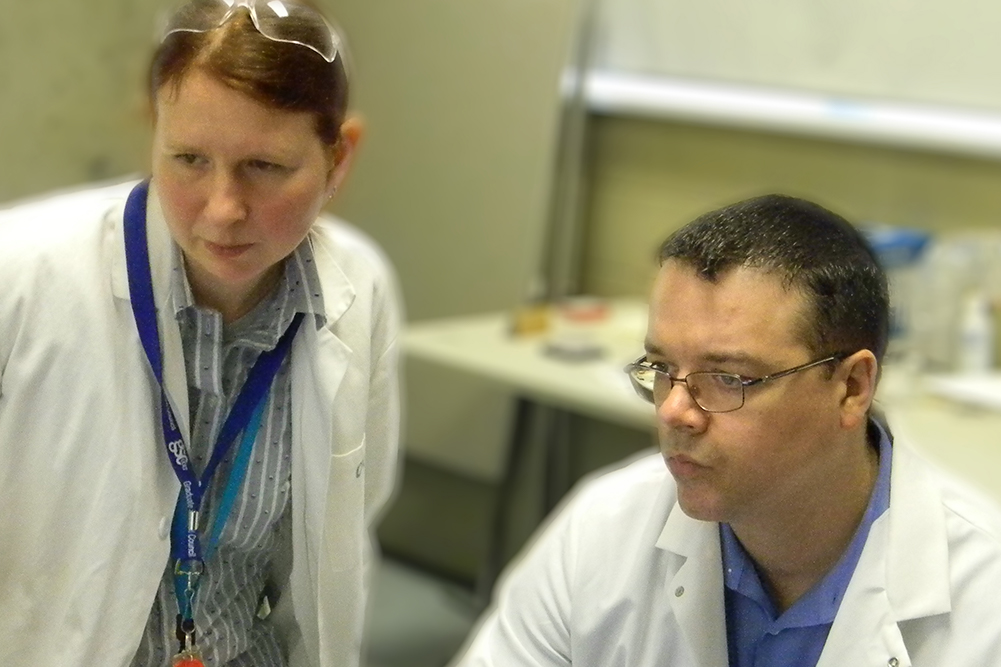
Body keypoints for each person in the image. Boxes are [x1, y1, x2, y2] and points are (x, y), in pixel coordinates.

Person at [0, 1, 401, 666]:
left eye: (264, 166)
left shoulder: (358, 291)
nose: (222, 209)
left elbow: (338, 541)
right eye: (188, 158)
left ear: (337, 159)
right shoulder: (19, 276)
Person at [450, 195, 1001, 666]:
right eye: (661, 368)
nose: (673, 412)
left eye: (729, 378)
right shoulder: (604, 525)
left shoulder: (985, 595)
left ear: (852, 387)